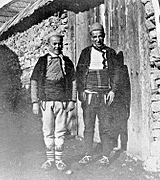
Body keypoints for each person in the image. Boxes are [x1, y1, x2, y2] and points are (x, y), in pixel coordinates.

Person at [30, 31, 77, 171]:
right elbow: (34, 81)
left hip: (62, 102)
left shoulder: (67, 62)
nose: (57, 46)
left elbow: (73, 81)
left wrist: (72, 100)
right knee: (48, 131)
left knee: (60, 131)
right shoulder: (42, 61)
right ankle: (50, 160)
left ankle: (59, 160)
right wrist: (34, 102)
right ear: (48, 45)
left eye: (59, 44)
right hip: (46, 103)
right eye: (54, 44)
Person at [76, 23, 120, 165]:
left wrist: (113, 90)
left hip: (104, 96)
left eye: (100, 36)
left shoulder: (110, 53)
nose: (98, 39)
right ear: (91, 38)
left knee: (105, 126)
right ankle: (88, 154)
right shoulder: (85, 53)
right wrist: (81, 91)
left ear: (104, 36)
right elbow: (80, 73)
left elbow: (115, 73)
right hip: (89, 95)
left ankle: (106, 156)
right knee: (88, 127)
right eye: (94, 37)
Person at [110, 51, 131, 151]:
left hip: (119, 100)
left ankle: (121, 144)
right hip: (118, 100)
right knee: (118, 123)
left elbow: (125, 87)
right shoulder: (120, 69)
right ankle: (119, 144)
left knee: (120, 123)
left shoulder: (120, 70)